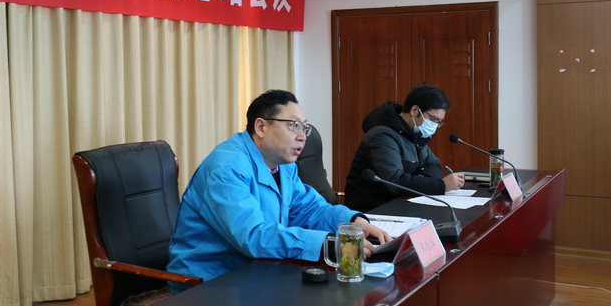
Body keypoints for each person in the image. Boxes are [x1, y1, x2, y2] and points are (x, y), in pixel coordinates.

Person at [167, 89, 389, 288]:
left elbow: (309, 209)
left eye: (305, 127)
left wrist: (352, 221)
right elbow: (253, 236)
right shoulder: (226, 169)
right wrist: (328, 244)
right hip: (210, 282)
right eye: (294, 125)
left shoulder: (282, 165)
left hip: (261, 271)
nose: (302, 136)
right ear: (261, 127)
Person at [344, 84, 465, 213]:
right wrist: (441, 185)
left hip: (401, 205)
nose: (435, 125)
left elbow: (434, 165)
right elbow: (393, 182)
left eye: (439, 122)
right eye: (433, 119)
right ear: (414, 110)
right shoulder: (382, 136)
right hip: (372, 211)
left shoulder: (415, 134)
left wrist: (422, 180)